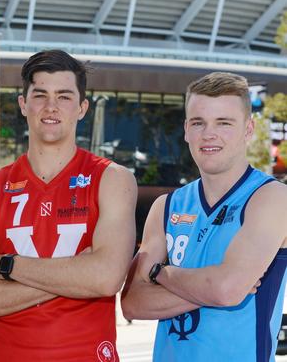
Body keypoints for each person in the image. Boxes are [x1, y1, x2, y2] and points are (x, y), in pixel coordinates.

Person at [0, 50, 137, 361]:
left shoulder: (112, 179)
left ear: (82, 108)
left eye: (64, 97)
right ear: (24, 104)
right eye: (40, 95)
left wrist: (8, 267)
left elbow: (106, 279)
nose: (51, 107)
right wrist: (79, 274)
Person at [121, 72, 287, 361]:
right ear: (186, 130)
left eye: (224, 122)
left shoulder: (271, 198)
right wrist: (217, 287)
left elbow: (226, 289)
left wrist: (161, 274)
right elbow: (133, 304)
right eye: (198, 123)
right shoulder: (166, 206)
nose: (208, 134)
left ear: (248, 129)